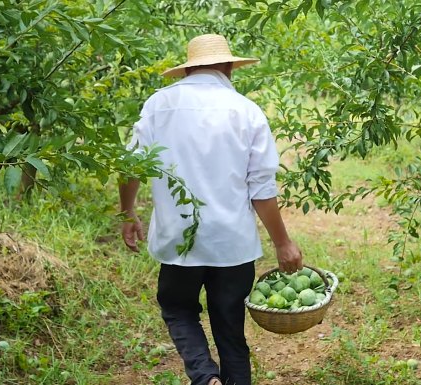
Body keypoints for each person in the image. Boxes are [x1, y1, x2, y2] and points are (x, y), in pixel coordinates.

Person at [118, 34, 303, 385]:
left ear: (189, 69)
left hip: (178, 241)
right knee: (231, 330)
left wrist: (128, 212)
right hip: (232, 245)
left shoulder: (159, 104)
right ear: (229, 68)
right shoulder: (247, 110)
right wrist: (282, 243)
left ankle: (205, 377)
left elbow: (131, 165)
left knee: (177, 308)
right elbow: (261, 187)